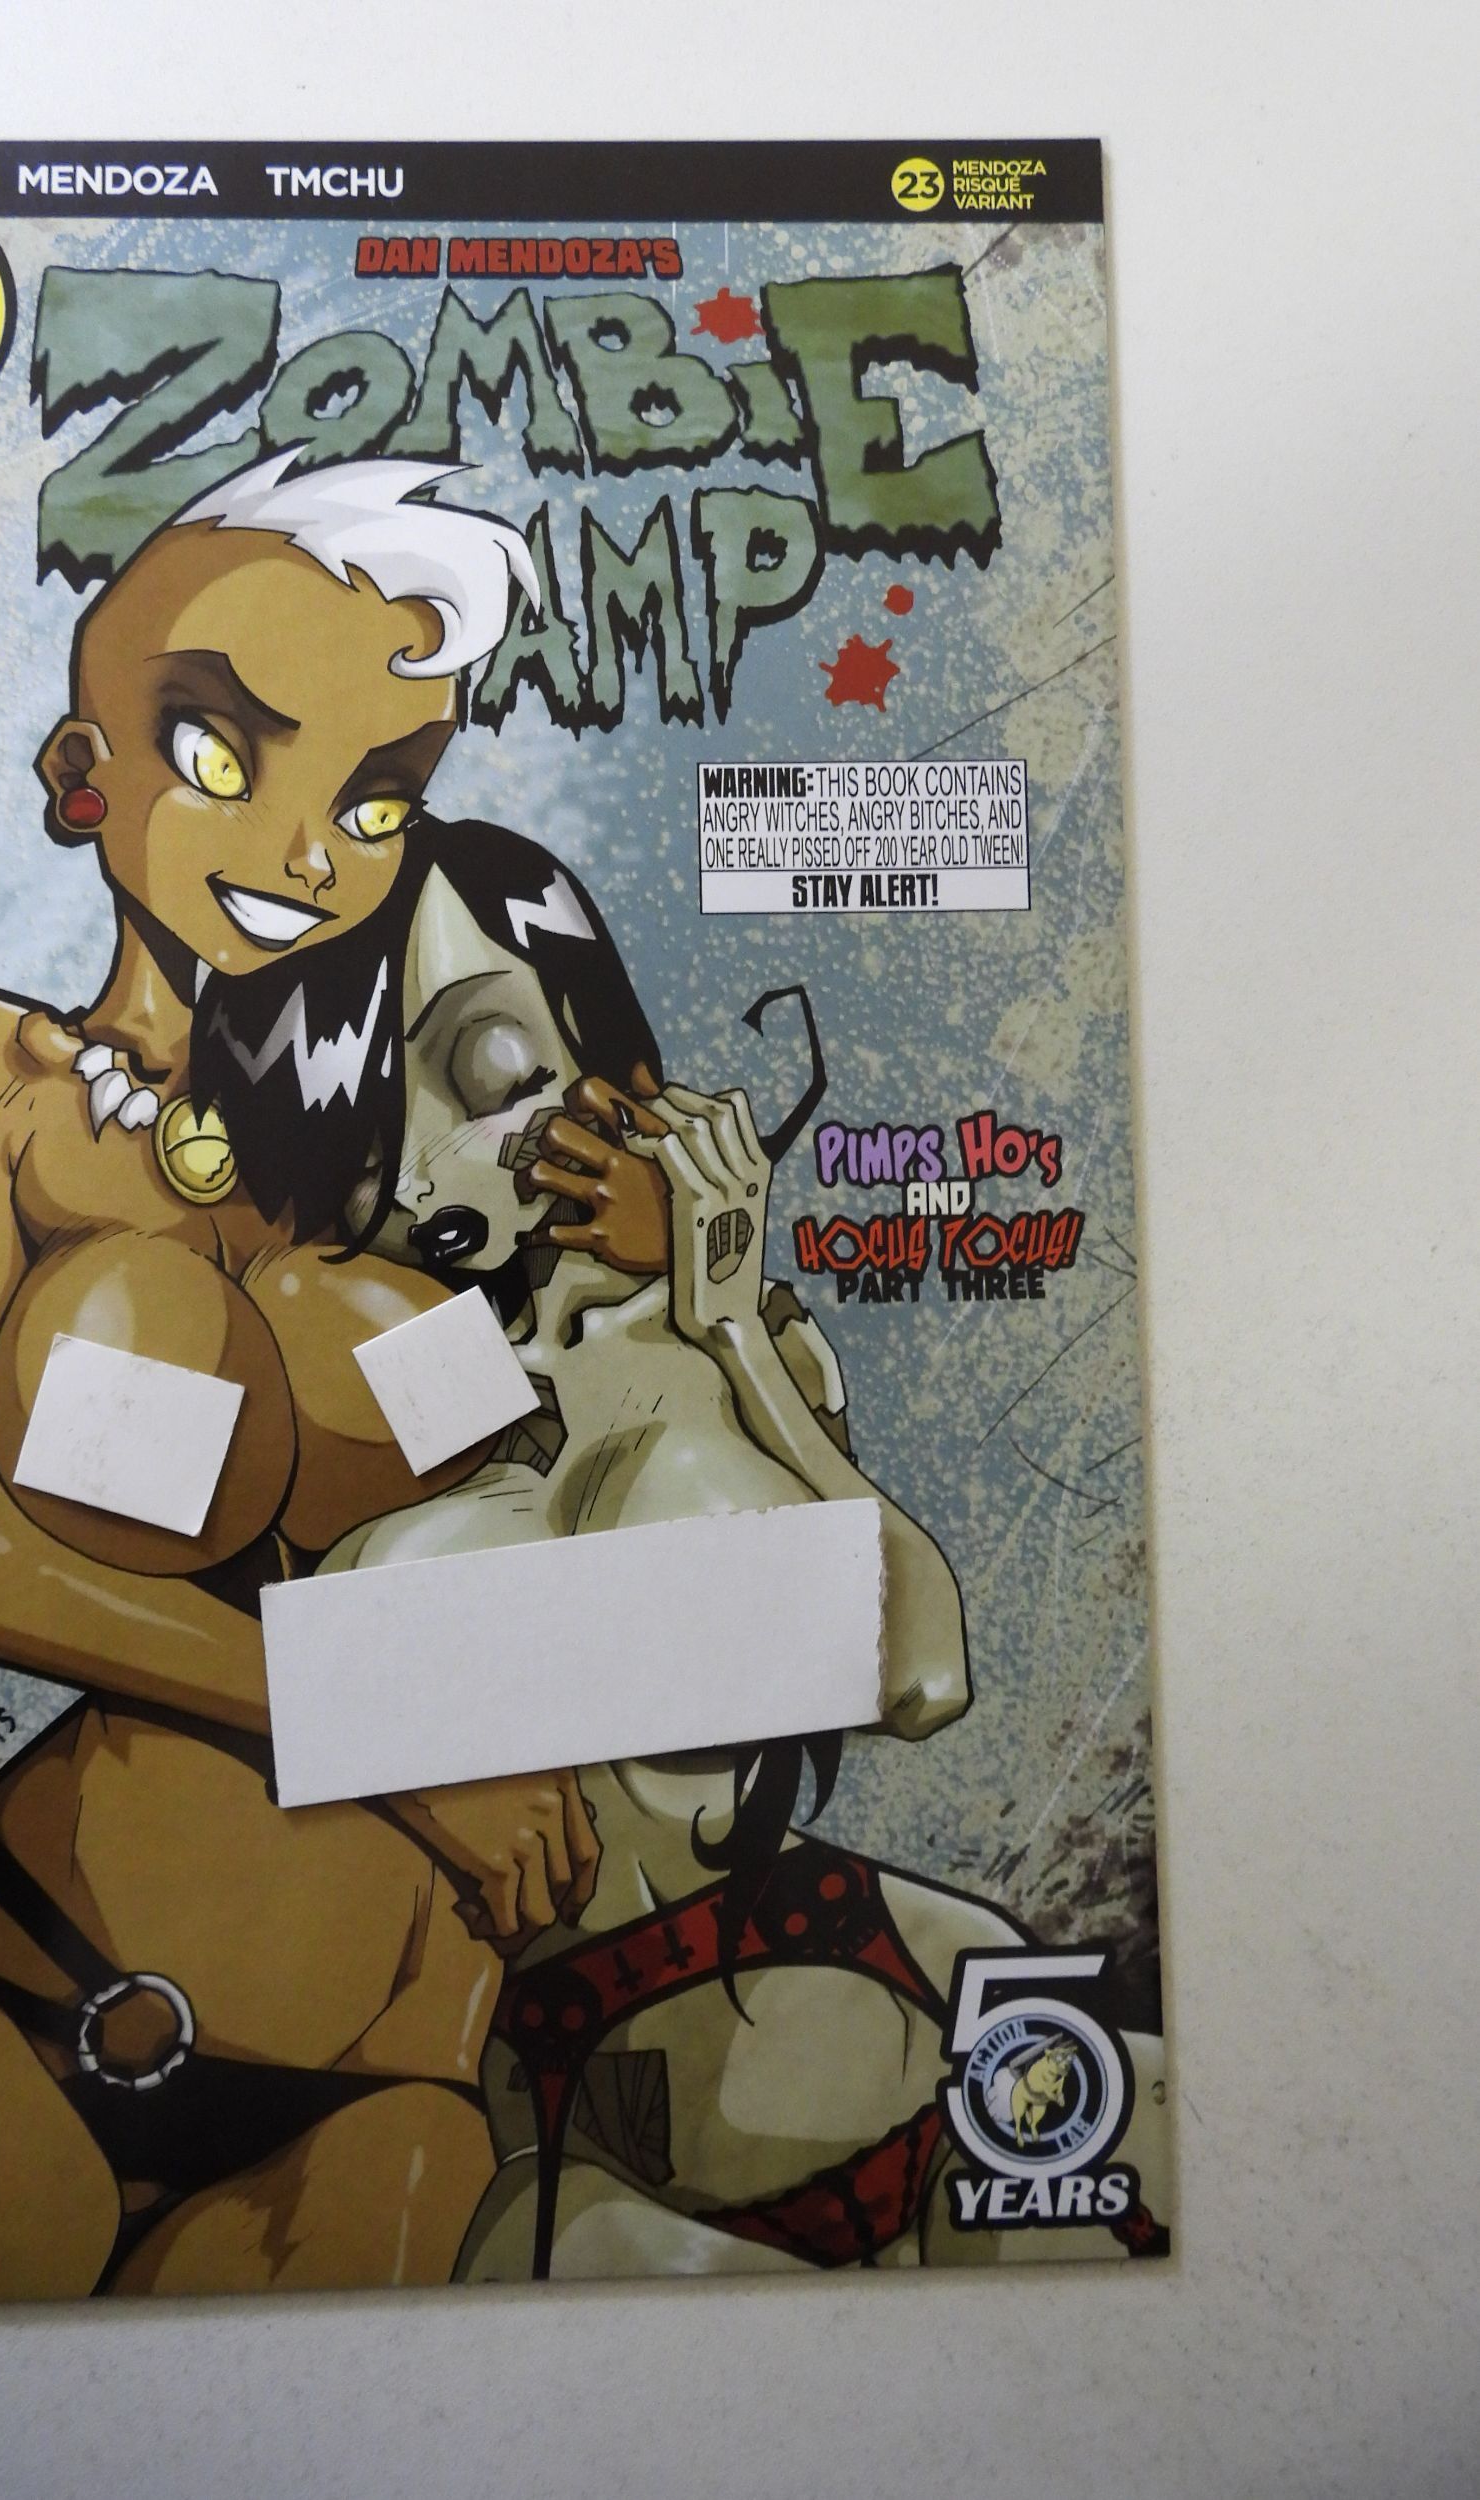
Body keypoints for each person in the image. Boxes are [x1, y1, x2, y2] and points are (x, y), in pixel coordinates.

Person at [0, 453, 604, 2307]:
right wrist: (400, 1740)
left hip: (386, 2085)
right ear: (83, 772)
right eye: (223, 753)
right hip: (31, 1977)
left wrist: (687, 1282)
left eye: (375, 797)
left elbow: (553, 1536)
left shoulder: (413, 1157)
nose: (307, 849)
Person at [294, 822, 1166, 2278]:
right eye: (374, 1101)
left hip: (893, 1974)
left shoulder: (727, 1347)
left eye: (493, 1061)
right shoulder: (348, 1408)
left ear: (603, 1055)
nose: (448, 1142)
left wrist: (730, 1319)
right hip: (568, 2113)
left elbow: (921, 1669)